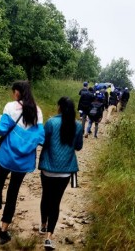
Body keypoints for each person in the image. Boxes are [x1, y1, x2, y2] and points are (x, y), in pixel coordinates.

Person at [0, 80, 45, 244]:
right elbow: (40, 137)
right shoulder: (37, 111)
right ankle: (3, 232)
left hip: (6, 156)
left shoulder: (10, 107)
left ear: (17, 92)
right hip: (23, 162)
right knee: (13, 193)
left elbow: (0, 129)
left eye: (13, 91)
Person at [38, 97, 83, 250]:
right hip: (65, 171)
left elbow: (42, 142)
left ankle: (43, 224)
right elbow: (78, 147)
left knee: (46, 196)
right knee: (56, 202)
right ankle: (49, 237)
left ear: (59, 107)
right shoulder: (77, 126)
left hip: (48, 168)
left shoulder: (51, 123)